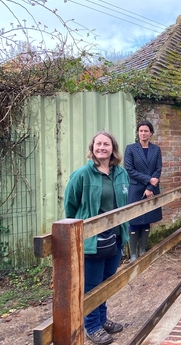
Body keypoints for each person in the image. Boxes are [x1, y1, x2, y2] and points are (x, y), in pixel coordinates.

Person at [64, 131, 129, 345]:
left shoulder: (120, 174)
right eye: (98, 144)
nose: (102, 147)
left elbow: (126, 203)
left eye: (106, 144)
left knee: (107, 280)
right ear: (92, 148)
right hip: (92, 239)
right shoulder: (82, 174)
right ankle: (91, 325)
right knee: (92, 284)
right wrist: (82, 233)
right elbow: (70, 206)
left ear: (113, 148)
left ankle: (101, 320)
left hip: (116, 236)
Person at [124, 120, 162, 262]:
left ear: (151, 133)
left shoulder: (156, 149)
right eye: (141, 131)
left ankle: (143, 250)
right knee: (134, 218)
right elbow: (130, 169)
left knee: (147, 217)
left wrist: (150, 187)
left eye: (146, 131)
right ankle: (133, 254)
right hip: (135, 188)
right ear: (138, 133)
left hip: (151, 188)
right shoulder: (131, 149)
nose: (143, 133)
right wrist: (148, 180)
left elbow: (158, 170)